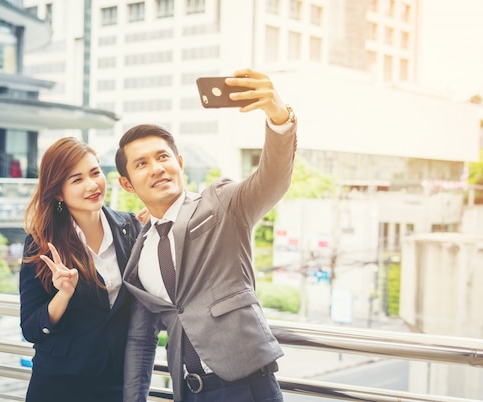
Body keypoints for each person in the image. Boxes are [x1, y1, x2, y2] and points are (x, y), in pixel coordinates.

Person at [115, 68, 297, 402]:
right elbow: (141, 342)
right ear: (126, 183)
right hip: (189, 392)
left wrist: (279, 118)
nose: (156, 168)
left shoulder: (221, 202)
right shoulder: (140, 252)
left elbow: (272, 179)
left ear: (179, 163)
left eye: (163, 157)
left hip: (247, 385)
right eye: (141, 164)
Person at [19, 137, 142, 402]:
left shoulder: (130, 228)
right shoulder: (41, 243)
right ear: (59, 193)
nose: (92, 185)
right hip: (60, 385)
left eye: (95, 173)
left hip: (118, 381)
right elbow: (30, 329)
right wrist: (62, 295)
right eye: (77, 179)